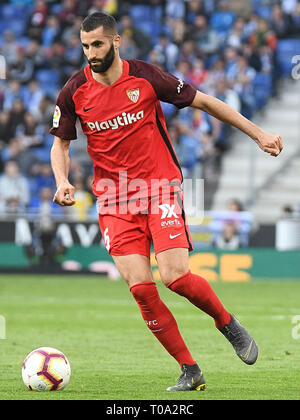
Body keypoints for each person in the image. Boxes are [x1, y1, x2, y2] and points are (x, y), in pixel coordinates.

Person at [49, 12, 283, 391]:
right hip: (112, 199)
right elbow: (59, 143)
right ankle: (190, 370)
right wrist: (61, 180)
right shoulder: (74, 90)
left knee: (175, 277)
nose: (91, 53)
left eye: (98, 44)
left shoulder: (145, 77)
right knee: (141, 288)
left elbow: (205, 102)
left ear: (116, 41)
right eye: (86, 46)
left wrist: (258, 134)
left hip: (159, 187)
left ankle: (227, 323)